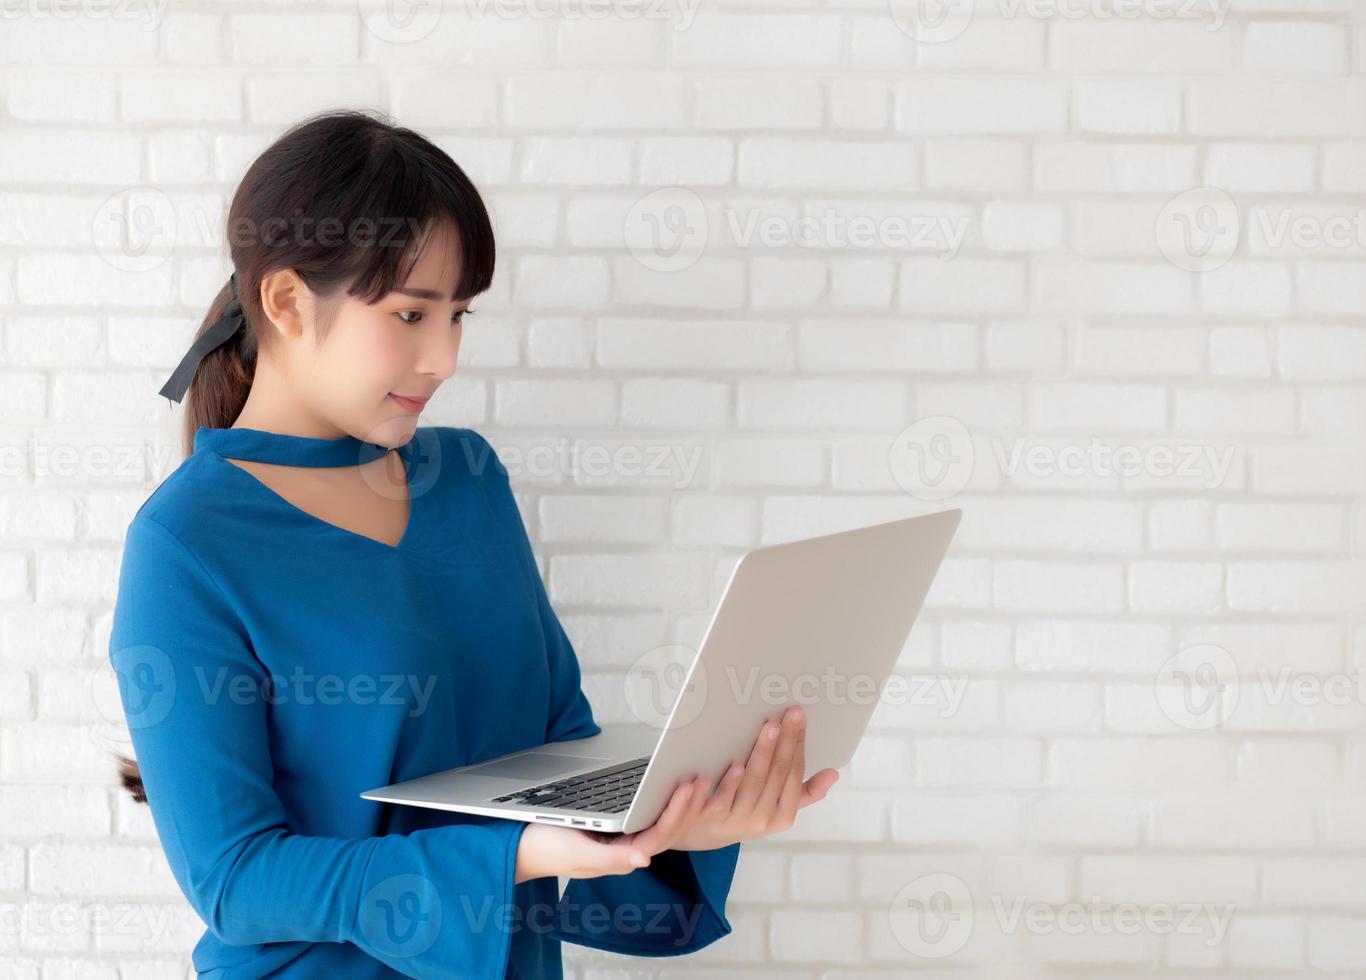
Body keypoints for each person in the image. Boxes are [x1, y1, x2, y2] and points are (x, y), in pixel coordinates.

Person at [108, 108, 839, 979]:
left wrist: (678, 822)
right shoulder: (187, 544)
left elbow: (561, 747)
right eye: (412, 315)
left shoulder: (468, 480)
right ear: (288, 301)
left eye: (459, 315)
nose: (445, 357)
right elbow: (235, 880)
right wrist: (514, 857)